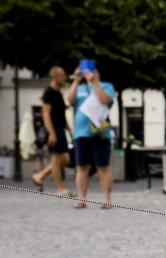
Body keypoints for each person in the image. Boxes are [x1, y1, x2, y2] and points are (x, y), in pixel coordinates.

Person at [68, 60, 116, 208]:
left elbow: (106, 100)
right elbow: (70, 101)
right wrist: (76, 81)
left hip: (101, 131)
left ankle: (106, 200)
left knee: (103, 166)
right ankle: (81, 199)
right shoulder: (80, 88)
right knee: (82, 166)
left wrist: (95, 83)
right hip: (81, 132)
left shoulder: (107, 86)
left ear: (97, 72)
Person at [31, 67, 71, 195]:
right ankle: (60, 189)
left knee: (65, 160)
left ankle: (40, 176)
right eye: (63, 76)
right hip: (54, 130)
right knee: (57, 159)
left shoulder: (58, 94)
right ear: (55, 77)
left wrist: (68, 127)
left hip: (60, 129)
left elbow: (61, 113)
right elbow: (46, 114)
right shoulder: (48, 93)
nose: (65, 78)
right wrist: (52, 133)